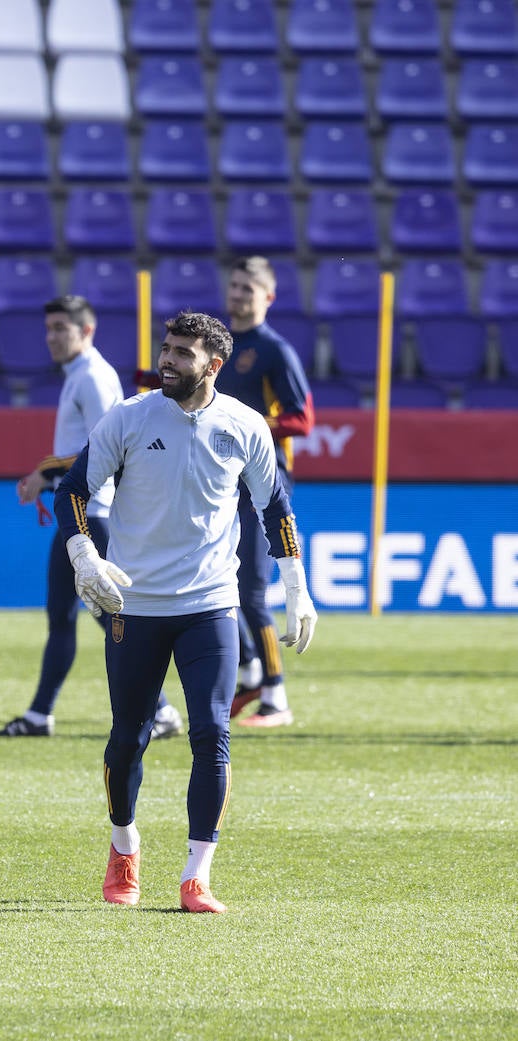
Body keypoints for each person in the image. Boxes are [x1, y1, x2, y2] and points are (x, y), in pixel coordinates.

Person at [53, 311, 318, 913]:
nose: (166, 360)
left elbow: (274, 507)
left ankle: (197, 874)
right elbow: (71, 488)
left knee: (213, 733)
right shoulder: (128, 416)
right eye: (165, 349)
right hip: (135, 606)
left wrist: (297, 588)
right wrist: (84, 556)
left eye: (181, 353)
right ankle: (125, 846)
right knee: (127, 740)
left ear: (213, 365)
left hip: (210, 606)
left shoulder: (245, 425)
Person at [0, 296, 183, 741]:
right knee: (68, 614)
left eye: (63, 327)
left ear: (87, 330)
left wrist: (46, 470)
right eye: (50, 328)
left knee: (106, 615)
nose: (53, 337)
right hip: (81, 510)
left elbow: (108, 447)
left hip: (91, 511)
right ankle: (42, 714)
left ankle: (161, 709)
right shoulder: (81, 374)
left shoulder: (93, 377)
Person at [220, 257, 316, 728]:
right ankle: (250, 669)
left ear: (268, 297)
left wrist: (251, 426)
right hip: (219, 480)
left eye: (248, 289)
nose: (238, 295)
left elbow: (302, 419)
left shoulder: (274, 350)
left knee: (252, 591)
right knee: (215, 580)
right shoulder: (219, 346)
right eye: (234, 286)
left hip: (262, 481)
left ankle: (276, 696)